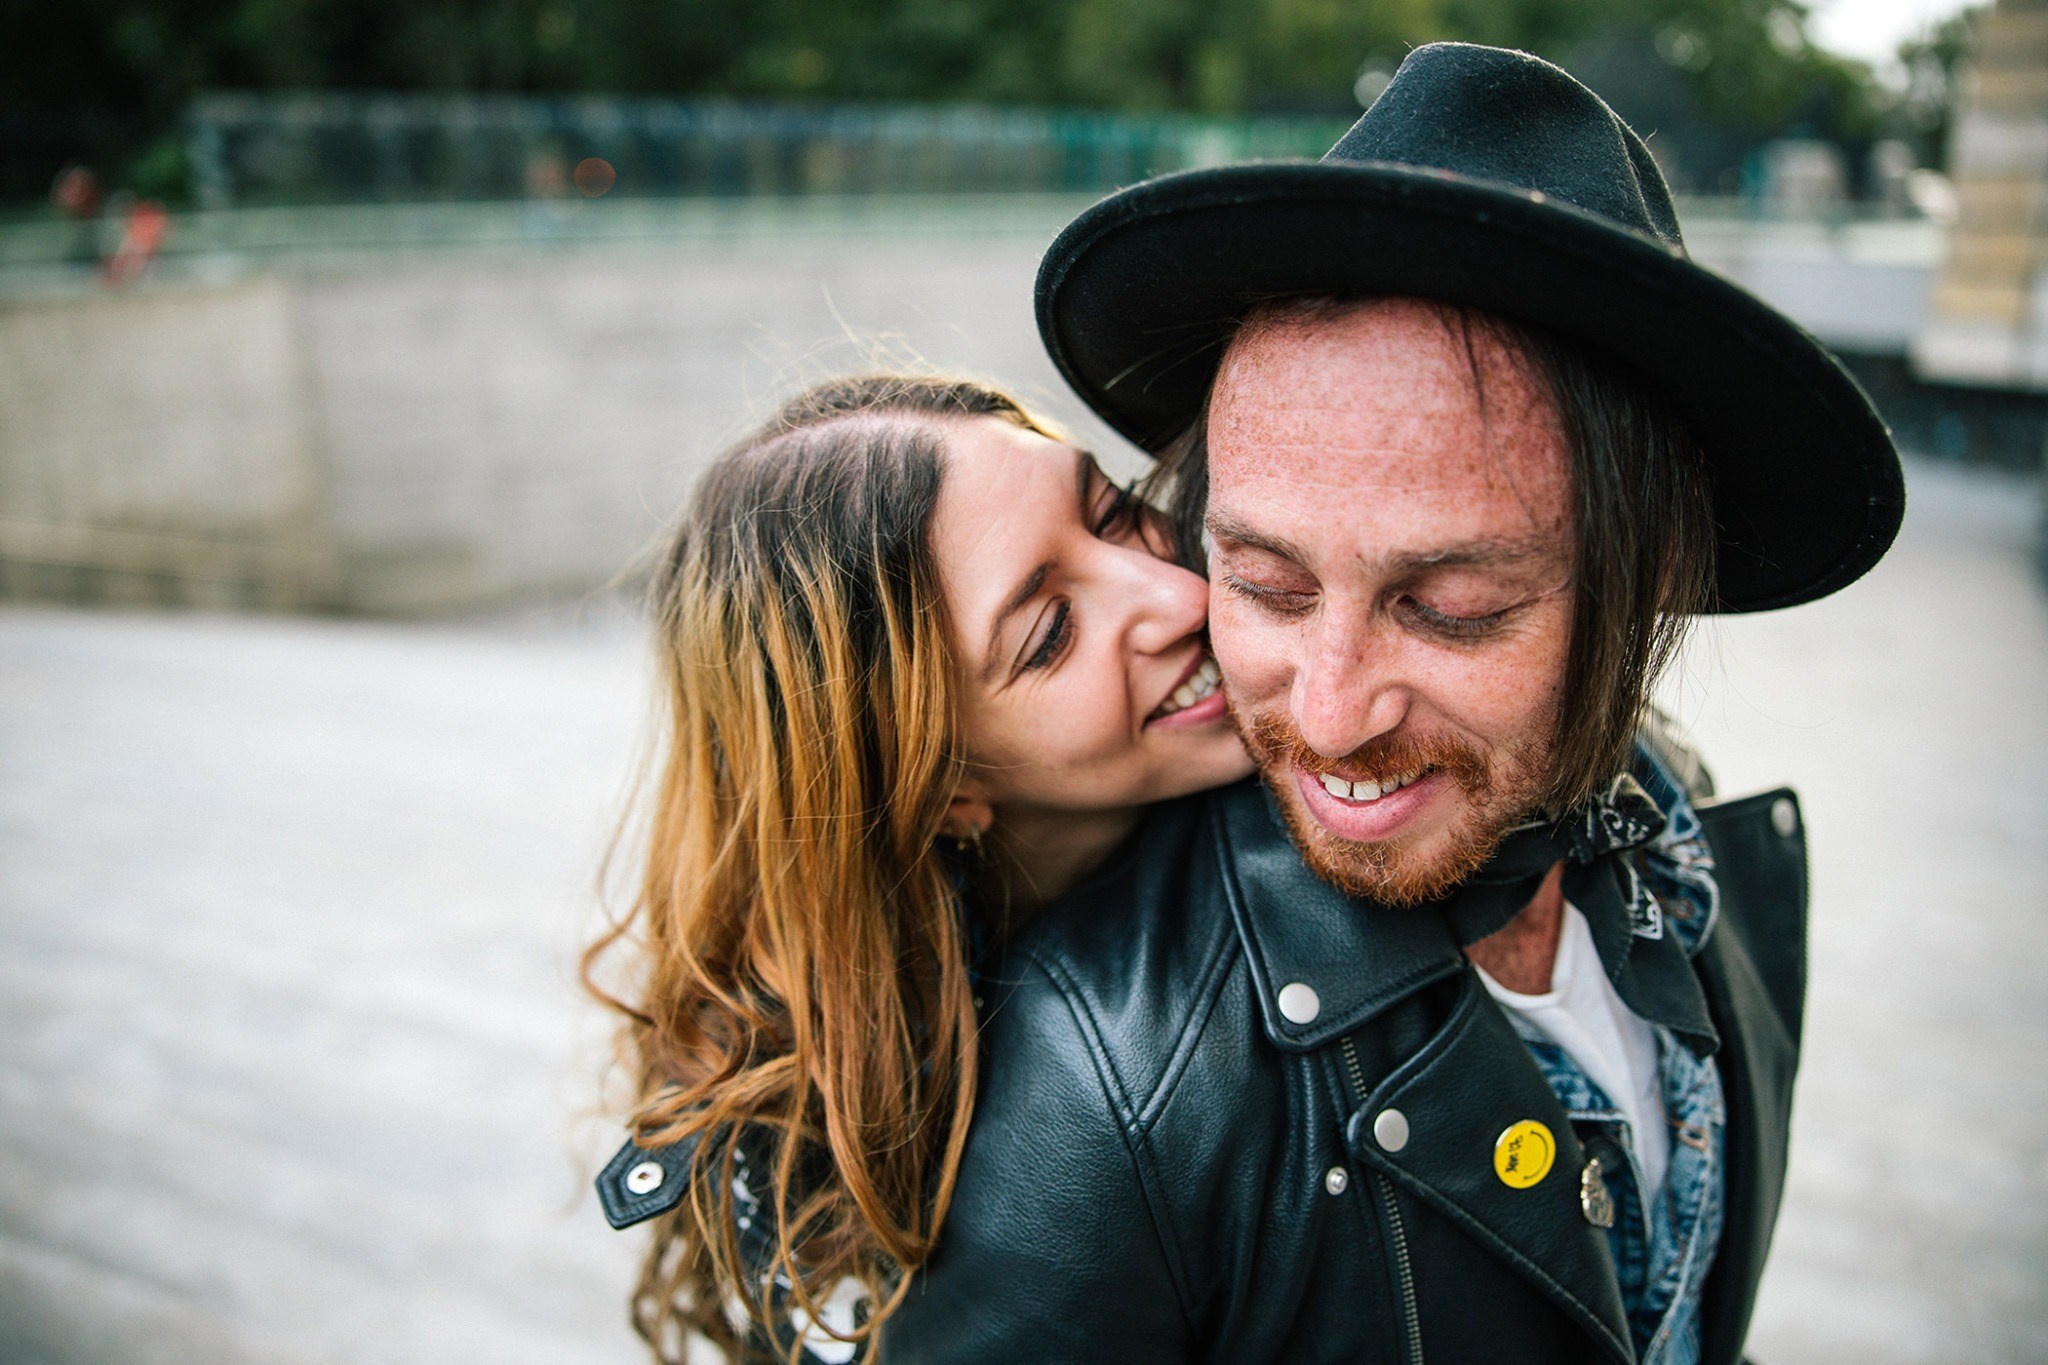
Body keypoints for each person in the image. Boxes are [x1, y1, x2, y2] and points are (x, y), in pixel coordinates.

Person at [858, 42, 1905, 1365]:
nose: (1334, 714)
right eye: (1265, 584)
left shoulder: (1684, 832)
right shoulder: (1099, 1095)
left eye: (1454, 606)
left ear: (1649, 572)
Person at [584, 374, 1254, 1362]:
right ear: (938, 790)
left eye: (1112, 514)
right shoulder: (873, 1154)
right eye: (1050, 633)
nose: (1182, 592)